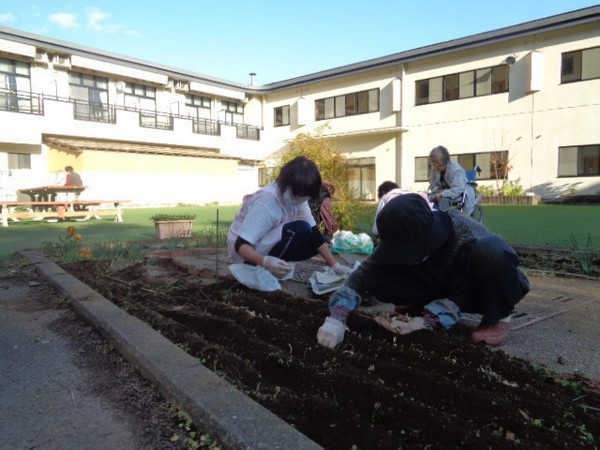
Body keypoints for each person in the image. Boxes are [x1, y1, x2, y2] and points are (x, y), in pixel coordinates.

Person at [317, 193, 530, 349]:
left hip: (483, 286)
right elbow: (365, 275)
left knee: (491, 252)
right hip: (441, 282)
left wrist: (428, 322)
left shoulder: (463, 237)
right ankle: (418, 305)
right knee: (380, 282)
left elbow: (461, 293)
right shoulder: (401, 231)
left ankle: (499, 317)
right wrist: (337, 317)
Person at [227, 156, 351, 280]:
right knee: (300, 229)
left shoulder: (297, 196)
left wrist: (335, 265)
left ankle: (276, 266)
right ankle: (257, 269)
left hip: (264, 243)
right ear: (287, 183)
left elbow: (314, 232)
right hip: (244, 254)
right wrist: (264, 261)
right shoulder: (267, 202)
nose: (302, 199)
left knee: (316, 240)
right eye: (299, 195)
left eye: (305, 196)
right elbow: (241, 245)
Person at [427, 145, 475, 216]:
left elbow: (458, 189)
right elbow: (432, 184)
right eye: (434, 163)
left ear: (444, 160)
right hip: (441, 192)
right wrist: (438, 190)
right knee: (427, 200)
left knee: (443, 200)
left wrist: (442, 194)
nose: (435, 165)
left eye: (437, 162)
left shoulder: (456, 170)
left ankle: (441, 221)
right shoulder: (435, 169)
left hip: (458, 193)